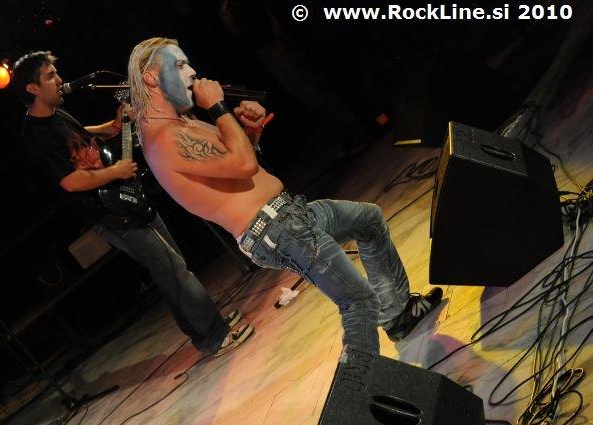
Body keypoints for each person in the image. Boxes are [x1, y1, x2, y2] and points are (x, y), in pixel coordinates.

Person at [127, 37, 442, 358]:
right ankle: (358, 384)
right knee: (358, 302)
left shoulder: (180, 125)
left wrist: (251, 131)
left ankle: (397, 315)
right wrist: (218, 108)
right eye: (180, 65)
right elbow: (244, 164)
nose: (192, 72)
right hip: (273, 228)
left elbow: (239, 163)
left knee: (368, 220)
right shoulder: (165, 139)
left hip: (287, 215)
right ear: (151, 78)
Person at [12, 51, 253, 358]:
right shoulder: (35, 136)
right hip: (109, 214)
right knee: (173, 270)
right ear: (32, 88)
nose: (59, 80)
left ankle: (203, 330)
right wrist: (116, 171)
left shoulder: (57, 115)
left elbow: (83, 136)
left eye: (55, 73)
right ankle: (214, 336)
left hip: (125, 199)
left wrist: (113, 126)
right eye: (50, 76)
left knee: (171, 268)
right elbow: (70, 182)